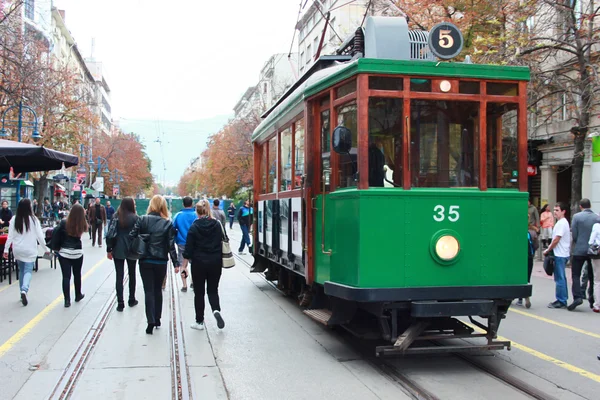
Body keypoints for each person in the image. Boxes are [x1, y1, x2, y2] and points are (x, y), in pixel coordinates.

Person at [129, 195, 180, 334]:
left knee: (148, 291)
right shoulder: (167, 223)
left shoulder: (142, 219)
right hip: (161, 261)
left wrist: (143, 239)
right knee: (158, 289)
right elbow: (170, 245)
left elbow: (132, 235)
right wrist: (176, 263)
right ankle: (157, 318)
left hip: (145, 260)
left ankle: (150, 320)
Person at [183, 199, 225, 331]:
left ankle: (199, 321)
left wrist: (184, 266)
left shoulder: (194, 227)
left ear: (197, 211)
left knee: (199, 292)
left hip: (198, 263)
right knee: (213, 290)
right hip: (215, 262)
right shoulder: (217, 225)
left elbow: (188, 249)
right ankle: (216, 310)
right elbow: (223, 240)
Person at [3, 199, 45, 306]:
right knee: (28, 271)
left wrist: (6, 249)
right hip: (30, 249)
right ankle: (24, 290)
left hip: (18, 249)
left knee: (21, 270)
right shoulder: (34, 219)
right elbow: (40, 236)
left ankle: (21, 292)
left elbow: (10, 236)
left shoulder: (14, 219)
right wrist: (46, 249)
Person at [106, 197, 139, 312]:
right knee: (132, 274)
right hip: (131, 248)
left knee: (119, 275)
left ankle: (120, 303)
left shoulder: (116, 216)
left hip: (118, 247)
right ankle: (131, 299)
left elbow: (110, 233)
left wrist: (109, 249)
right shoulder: (135, 218)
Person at [53, 204, 88, 308]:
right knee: (77, 274)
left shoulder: (64, 222)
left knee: (66, 276)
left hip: (64, 252)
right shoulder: (82, 223)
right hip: (77, 252)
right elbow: (85, 230)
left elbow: (56, 232)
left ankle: (67, 300)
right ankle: (78, 294)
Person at [568, 198, 600, 311]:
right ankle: (592, 299)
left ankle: (577, 297)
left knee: (576, 274)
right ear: (590, 206)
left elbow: (574, 234)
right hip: (593, 251)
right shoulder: (597, 217)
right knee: (592, 276)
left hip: (579, 250)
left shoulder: (577, 217)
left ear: (581, 206)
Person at [544, 202, 571, 309]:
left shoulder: (562, 223)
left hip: (560, 254)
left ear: (563, 211)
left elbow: (556, 240)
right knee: (561, 277)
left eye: (557, 210)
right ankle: (562, 298)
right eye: (554, 210)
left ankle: (561, 300)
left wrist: (548, 250)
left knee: (560, 278)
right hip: (561, 253)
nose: (555, 212)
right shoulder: (561, 222)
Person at [172, 196, 197, 292]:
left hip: (182, 242)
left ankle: (184, 285)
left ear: (183, 204)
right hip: (195, 243)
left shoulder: (178, 215)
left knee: (183, 264)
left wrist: (176, 239)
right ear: (192, 203)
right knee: (194, 264)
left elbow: (173, 228)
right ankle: (194, 282)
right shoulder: (196, 215)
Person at [588, 220, 600, 313]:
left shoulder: (596, 225)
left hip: (598, 256)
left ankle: (597, 305)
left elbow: (591, 241)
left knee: (597, 280)